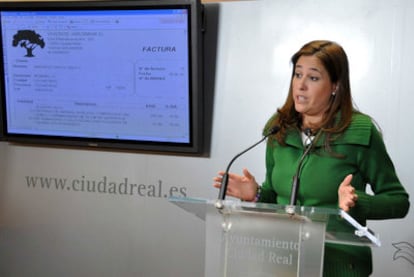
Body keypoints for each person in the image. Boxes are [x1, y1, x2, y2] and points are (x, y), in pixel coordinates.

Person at [213, 40, 410, 276]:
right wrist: (255, 195)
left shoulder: (360, 131)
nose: (301, 86)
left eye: (313, 78)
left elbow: (398, 201)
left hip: (338, 266)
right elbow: (278, 198)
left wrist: (357, 201)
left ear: (335, 86)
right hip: (284, 261)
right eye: (297, 75)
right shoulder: (279, 128)